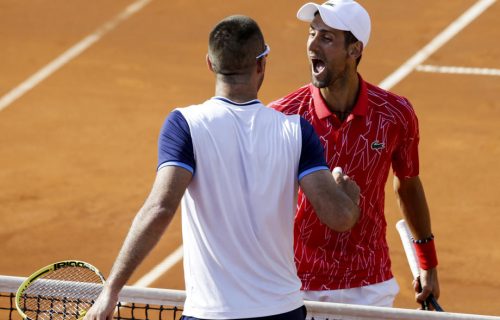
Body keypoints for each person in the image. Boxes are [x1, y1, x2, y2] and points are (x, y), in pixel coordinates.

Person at [84, 15, 360, 320]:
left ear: (210, 64)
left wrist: (111, 289)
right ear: (261, 64)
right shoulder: (296, 131)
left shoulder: (185, 125)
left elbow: (160, 208)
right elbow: (339, 218)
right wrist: (347, 196)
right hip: (282, 312)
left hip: (211, 314)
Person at [269, 0, 440, 308]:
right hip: (295, 283)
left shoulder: (395, 114)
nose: (313, 45)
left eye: (327, 38)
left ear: (355, 49)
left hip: (368, 283)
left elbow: (408, 183)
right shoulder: (283, 117)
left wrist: (427, 262)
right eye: (312, 33)